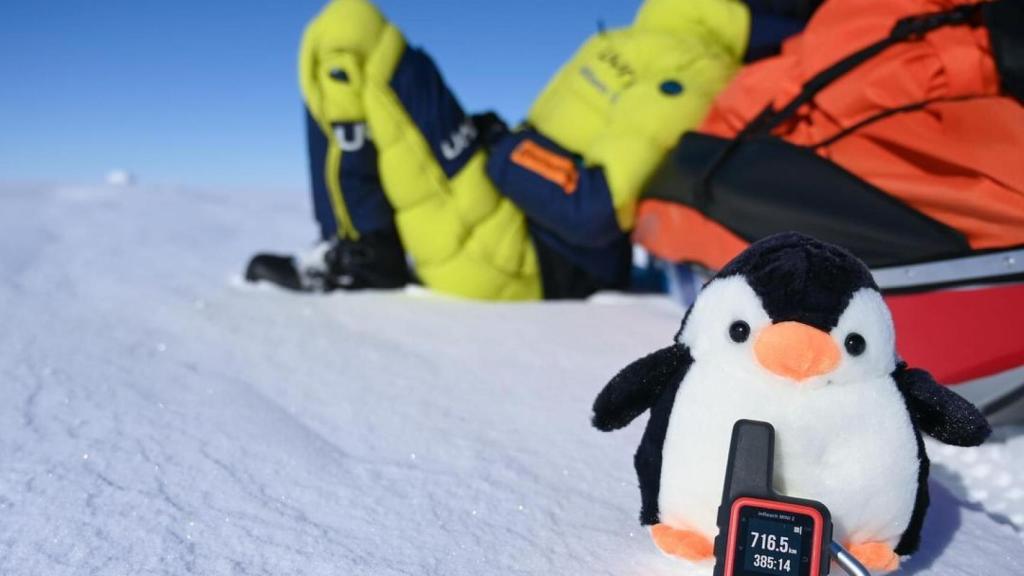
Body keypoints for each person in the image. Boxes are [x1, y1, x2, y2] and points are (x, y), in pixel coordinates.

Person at [247, 0, 811, 299]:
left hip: (529, 261)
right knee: (344, 30)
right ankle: (360, 247)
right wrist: (507, 147)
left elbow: (593, 208)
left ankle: (364, 256)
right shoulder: (645, 39)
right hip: (506, 222)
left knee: (352, 30)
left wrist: (503, 148)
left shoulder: (695, 65)